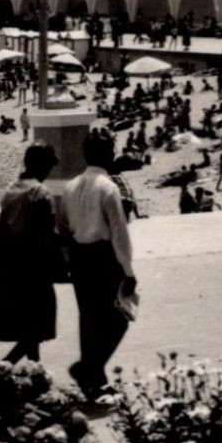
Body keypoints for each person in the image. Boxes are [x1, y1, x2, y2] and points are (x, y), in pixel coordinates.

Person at [57, 131, 136, 400]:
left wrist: (71, 259)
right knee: (118, 319)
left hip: (80, 258)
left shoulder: (70, 186)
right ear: (107, 154)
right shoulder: (108, 187)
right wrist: (128, 270)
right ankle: (88, 368)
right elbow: (119, 233)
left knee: (89, 318)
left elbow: (63, 228)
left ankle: (94, 381)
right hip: (104, 258)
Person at [0, 144, 64, 364]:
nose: (49, 171)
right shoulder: (41, 193)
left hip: (10, 270)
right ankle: (1, 368)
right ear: (41, 165)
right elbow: (48, 235)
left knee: (30, 330)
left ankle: (34, 374)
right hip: (34, 270)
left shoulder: (10, 190)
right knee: (36, 329)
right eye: (48, 165)